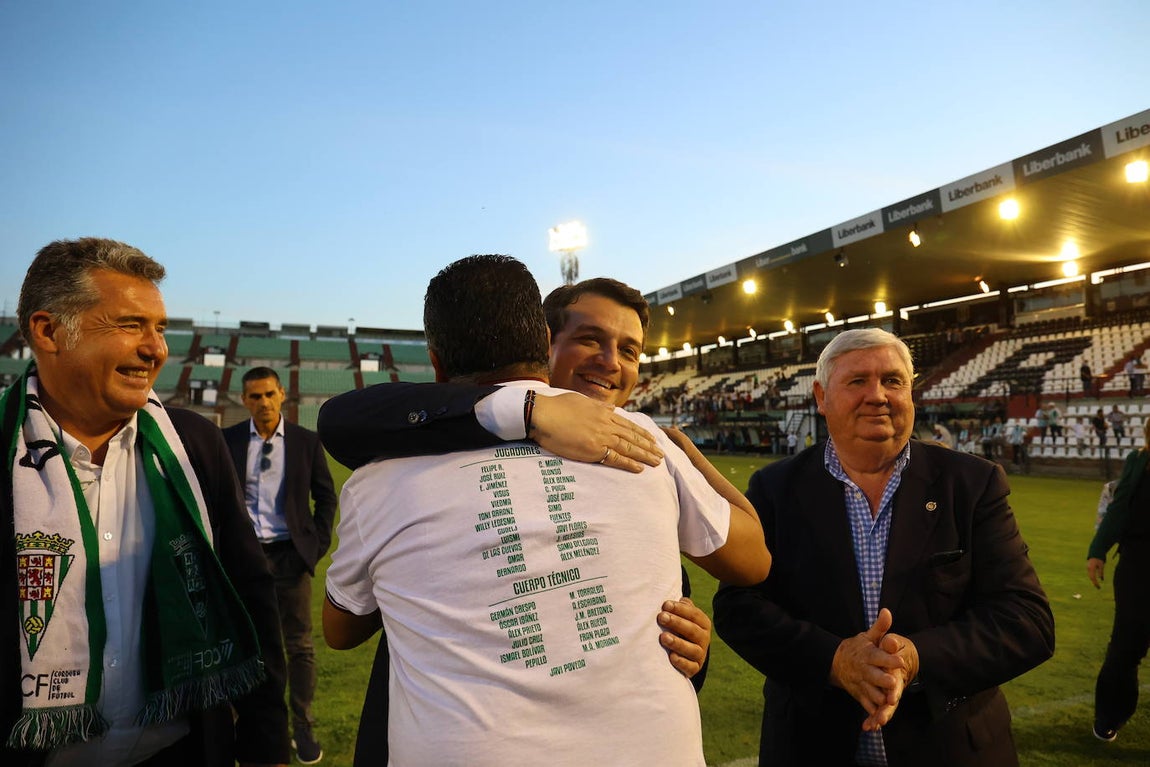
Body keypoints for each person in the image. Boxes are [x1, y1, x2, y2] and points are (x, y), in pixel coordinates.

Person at [321, 255, 771, 766]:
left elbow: (745, 562)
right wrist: (524, 410)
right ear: (544, 343)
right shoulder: (411, 446)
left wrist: (681, 452)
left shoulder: (643, 442)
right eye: (589, 339)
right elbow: (343, 418)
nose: (610, 361)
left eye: (629, 350)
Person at [1, 238, 289, 767]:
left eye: (160, 328)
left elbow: (249, 591)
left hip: (181, 752)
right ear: (48, 331)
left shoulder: (194, 444)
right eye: (131, 325)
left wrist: (267, 742)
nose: (156, 349)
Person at [712, 327, 1055, 767]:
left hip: (951, 749)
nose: (877, 395)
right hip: (810, 746)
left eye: (893, 381)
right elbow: (739, 607)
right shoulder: (775, 488)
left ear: (911, 393)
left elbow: (1027, 621)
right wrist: (834, 660)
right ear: (821, 396)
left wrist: (915, 658)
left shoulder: (971, 484)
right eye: (857, 381)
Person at [222, 368, 337, 765]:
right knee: (242, 645)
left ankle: (302, 726)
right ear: (244, 400)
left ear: (282, 394)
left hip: (290, 557)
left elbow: (326, 499)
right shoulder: (229, 440)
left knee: (299, 646)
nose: (264, 403)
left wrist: (314, 548)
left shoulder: (306, 442)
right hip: (244, 559)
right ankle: (242, 724)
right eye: (255, 396)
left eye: (270, 394)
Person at [1087, 419, 1150, 742]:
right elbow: (1120, 508)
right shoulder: (1138, 462)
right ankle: (1110, 715)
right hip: (1138, 568)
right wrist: (1098, 549)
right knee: (1125, 648)